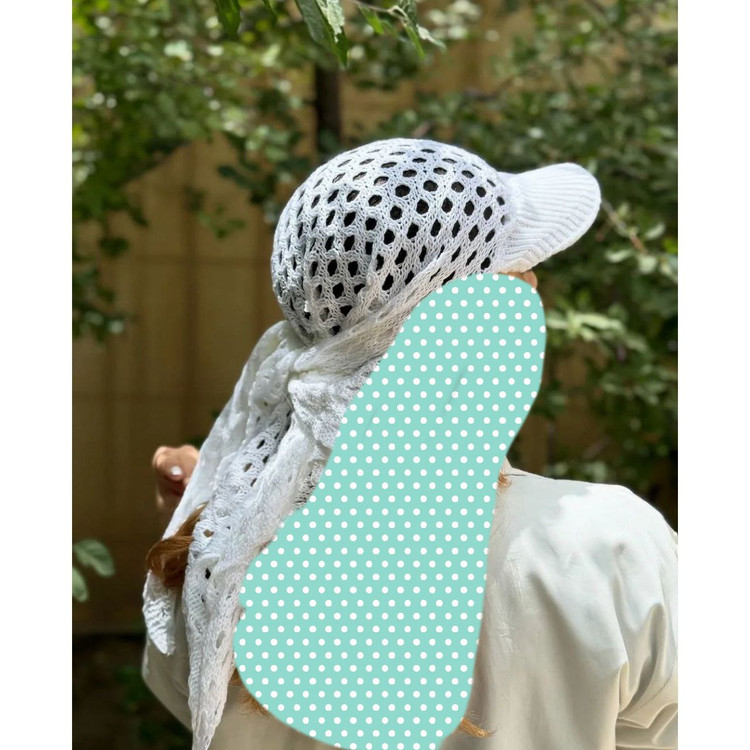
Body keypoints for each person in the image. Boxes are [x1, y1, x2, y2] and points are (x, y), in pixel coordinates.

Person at [141, 138, 677, 750]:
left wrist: (204, 515)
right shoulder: (613, 548)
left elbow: (191, 698)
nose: (533, 284)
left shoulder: (209, 563)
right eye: (519, 272)